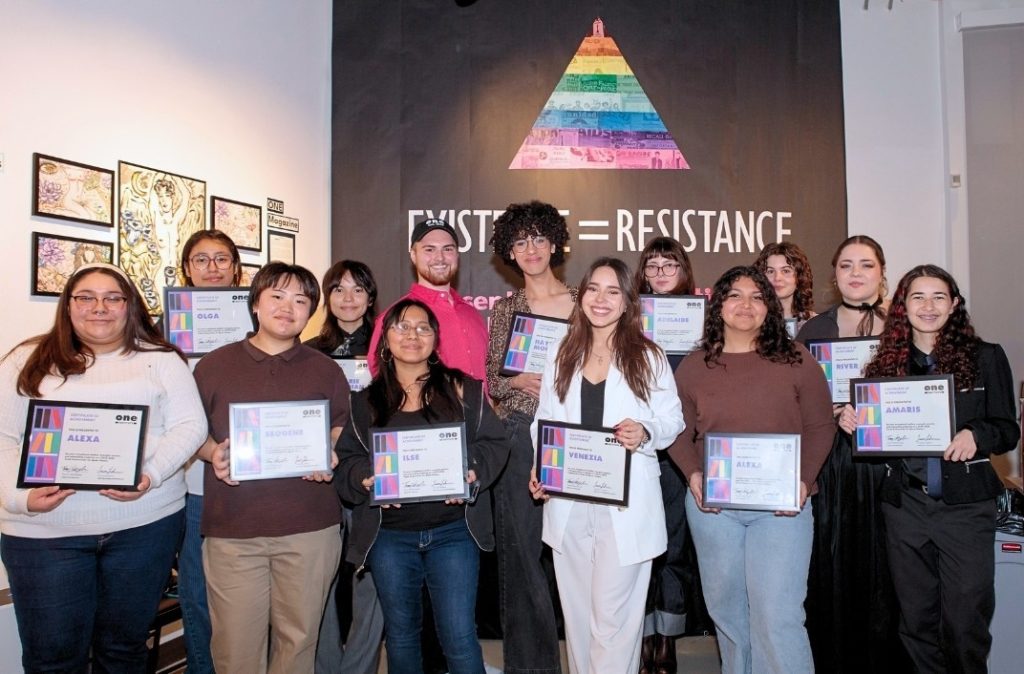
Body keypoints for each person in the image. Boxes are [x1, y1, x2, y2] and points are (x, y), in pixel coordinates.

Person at [0, 262, 208, 672]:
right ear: (68, 305)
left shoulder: (162, 359)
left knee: (125, 650)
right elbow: (3, 436)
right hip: (44, 535)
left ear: (130, 305)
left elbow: (191, 426)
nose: (100, 307)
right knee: (52, 658)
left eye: (113, 298)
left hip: (144, 527)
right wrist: (19, 498)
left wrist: (149, 476)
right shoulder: (26, 359)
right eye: (86, 297)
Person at [837, 264, 1018, 674]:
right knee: (915, 621)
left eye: (939, 296)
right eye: (918, 297)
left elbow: (1007, 429)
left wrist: (977, 434)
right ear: (903, 306)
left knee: (965, 621)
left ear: (954, 304)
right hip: (905, 507)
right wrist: (853, 424)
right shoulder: (885, 365)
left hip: (966, 509)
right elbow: (875, 443)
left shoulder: (986, 357)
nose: (929, 306)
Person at [668, 265, 834, 674]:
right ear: (719, 305)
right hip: (714, 509)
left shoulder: (797, 360)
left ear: (769, 307)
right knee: (727, 616)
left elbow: (820, 427)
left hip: (782, 509)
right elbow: (676, 430)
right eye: (735, 296)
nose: (746, 305)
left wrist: (803, 482)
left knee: (777, 616)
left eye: (757, 297)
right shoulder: (694, 365)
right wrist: (693, 475)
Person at [336, 299, 509, 674]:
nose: (412, 335)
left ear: (435, 339)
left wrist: (472, 470)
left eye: (423, 327)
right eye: (401, 327)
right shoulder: (364, 402)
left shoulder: (463, 390)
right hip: (390, 538)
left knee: (460, 637)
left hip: (454, 534)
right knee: (401, 637)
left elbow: (494, 444)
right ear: (385, 339)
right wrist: (366, 476)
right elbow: (347, 462)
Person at [529, 257, 685, 673]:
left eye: (613, 291)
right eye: (594, 289)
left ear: (627, 301)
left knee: (613, 623)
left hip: (626, 505)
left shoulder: (648, 356)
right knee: (579, 620)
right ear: (582, 296)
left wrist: (646, 431)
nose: (601, 299)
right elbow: (544, 420)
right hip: (569, 500)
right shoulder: (561, 352)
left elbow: (673, 419)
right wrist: (542, 466)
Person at [193, 262, 350, 674]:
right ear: (255, 304)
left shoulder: (326, 369)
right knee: (234, 647)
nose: (288, 307)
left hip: (309, 529)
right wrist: (212, 453)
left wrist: (328, 451)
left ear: (310, 312)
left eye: (301, 300)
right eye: (277, 296)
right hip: (233, 530)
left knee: (298, 642)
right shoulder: (212, 366)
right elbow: (191, 432)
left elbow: (340, 425)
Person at [795, 235, 909, 673]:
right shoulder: (813, 332)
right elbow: (795, 401)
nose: (855, 273)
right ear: (834, 275)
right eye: (846, 265)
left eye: (866, 265)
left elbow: (918, 400)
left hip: (886, 467)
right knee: (830, 564)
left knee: (885, 570)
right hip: (830, 465)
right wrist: (833, 411)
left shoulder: (902, 330)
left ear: (882, 274)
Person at [485, 201, 574, 674]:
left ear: (555, 243)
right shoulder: (506, 310)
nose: (531, 249)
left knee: (577, 552)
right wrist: (515, 380)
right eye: (520, 241)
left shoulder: (584, 302)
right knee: (521, 557)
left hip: (575, 435)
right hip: (520, 432)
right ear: (510, 252)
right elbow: (493, 380)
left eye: (539, 238)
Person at [306, 260, 384, 674]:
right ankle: (325, 666)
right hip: (319, 475)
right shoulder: (307, 351)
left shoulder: (389, 348)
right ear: (327, 298)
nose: (348, 298)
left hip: (370, 472)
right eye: (338, 289)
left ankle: (359, 667)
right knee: (320, 578)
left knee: (371, 575)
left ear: (370, 298)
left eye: (358, 289)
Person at [176, 228, 242, 674]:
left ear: (236, 268)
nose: (212, 268)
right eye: (202, 259)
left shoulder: (262, 320)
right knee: (198, 596)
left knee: (251, 597)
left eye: (222, 259)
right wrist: (208, 450)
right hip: (196, 486)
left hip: (255, 483)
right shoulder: (168, 333)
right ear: (187, 269)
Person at [632, 236, 697, 674]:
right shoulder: (628, 319)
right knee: (639, 544)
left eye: (669, 265)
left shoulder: (703, 319)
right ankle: (640, 633)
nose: (660, 273)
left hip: (681, 441)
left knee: (673, 543)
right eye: (652, 265)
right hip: (637, 443)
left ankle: (666, 638)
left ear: (683, 271)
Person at [367, 218, 488, 381]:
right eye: (429, 249)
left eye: (448, 249)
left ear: (457, 255)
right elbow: (382, 380)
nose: (440, 258)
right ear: (413, 255)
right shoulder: (394, 316)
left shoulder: (472, 314)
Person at [754, 241, 816, 335]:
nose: (777, 278)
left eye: (786, 271)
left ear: (800, 276)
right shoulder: (752, 322)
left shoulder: (816, 323)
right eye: (770, 271)